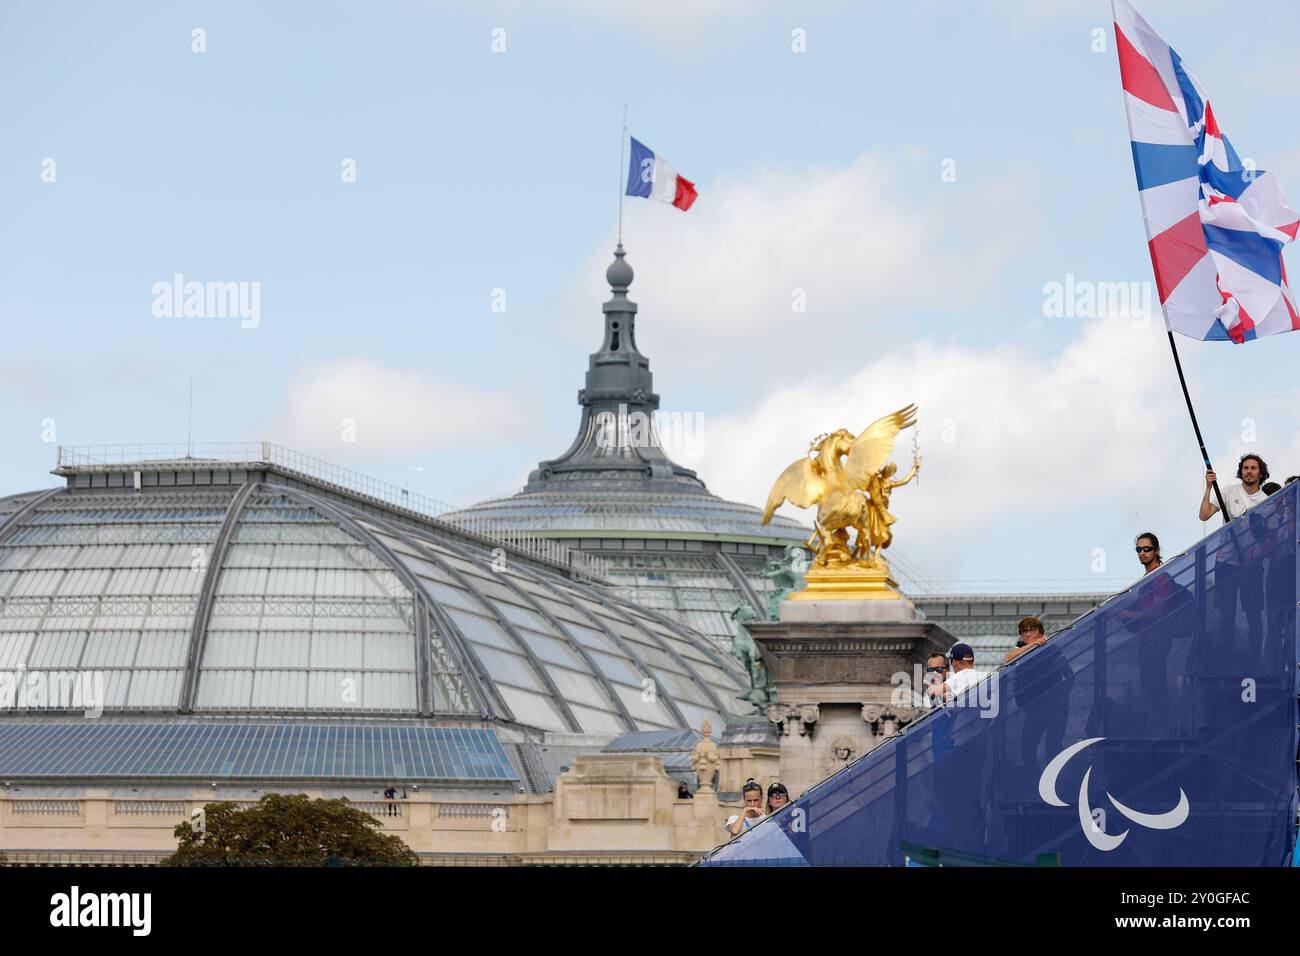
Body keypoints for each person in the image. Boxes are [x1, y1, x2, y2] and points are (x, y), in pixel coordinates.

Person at [1004, 617, 1074, 769]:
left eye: (1032, 630)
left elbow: (1069, 674)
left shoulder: (1050, 649)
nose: (1028, 634)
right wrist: (1030, 646)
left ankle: (1057, 785)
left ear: (1040, 632)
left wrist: (1060, 698)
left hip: (1055, 708)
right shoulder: (1021, 650)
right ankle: (1034, 781)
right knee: (1026, 749)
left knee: (1053, 748)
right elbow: (1007, 659)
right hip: (1033, 709)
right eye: (1024, 631)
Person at [1199, 454, 1269, 521]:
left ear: (1261, 473)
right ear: (1241, 472)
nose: (1249, 471)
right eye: (1245, 468)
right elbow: (1204, 516)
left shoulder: (1266, 501)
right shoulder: (1228, 491)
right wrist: (1208, 487)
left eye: (1253, 468)